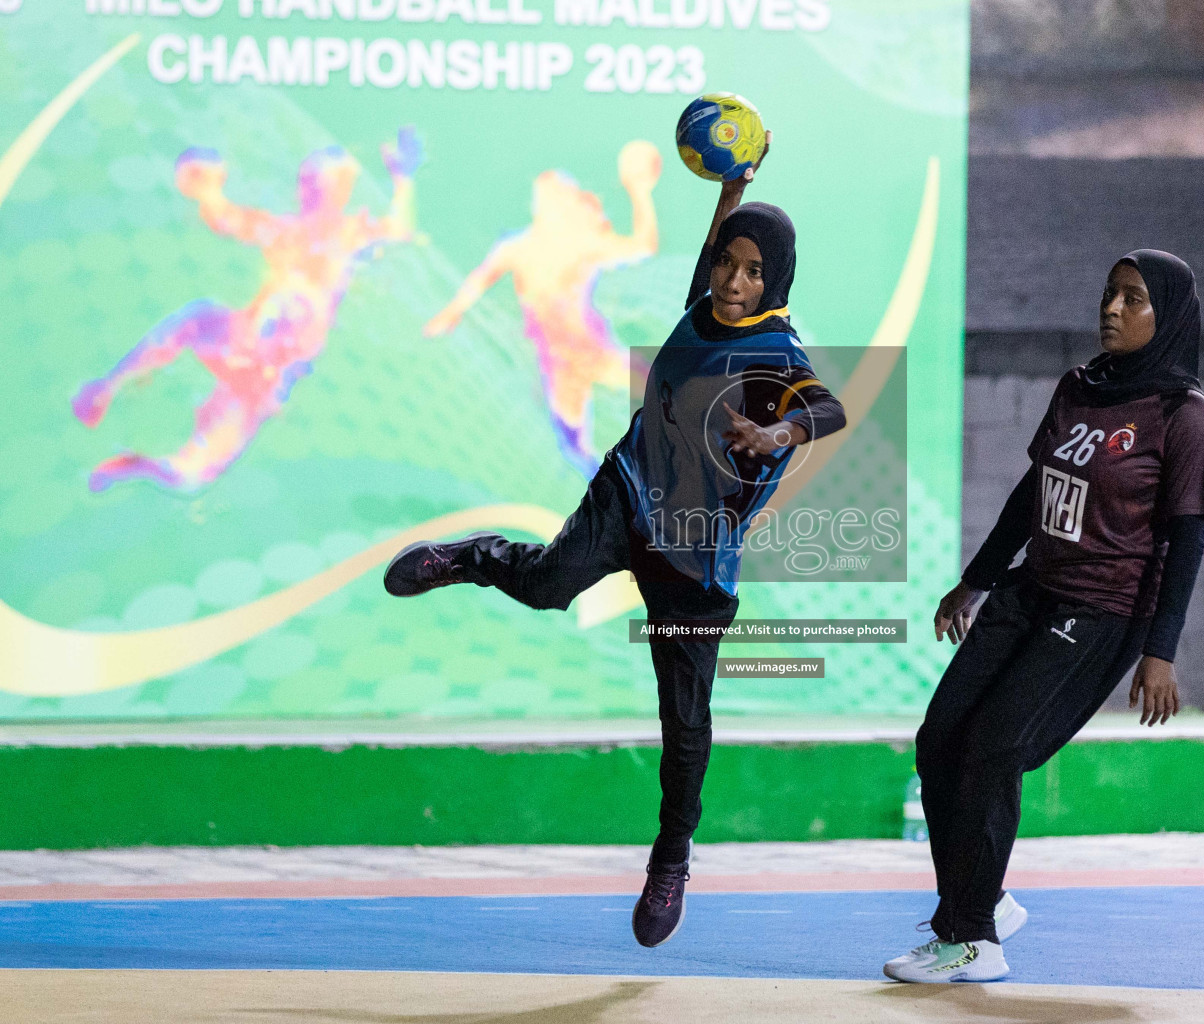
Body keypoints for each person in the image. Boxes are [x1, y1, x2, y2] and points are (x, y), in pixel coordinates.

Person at [382, 135, 846, 948]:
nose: (734, 281)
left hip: (696, 554)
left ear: (777, 282)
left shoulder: (779, 348)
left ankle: (671, 860)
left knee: (686, 727)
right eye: (727, 264)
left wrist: (777, 437)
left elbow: (827, 410)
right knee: (545, 584)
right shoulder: (701, 308)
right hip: (628, 493)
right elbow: (714, 242)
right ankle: (468, 556)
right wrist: (731, 183)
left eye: (752, 272)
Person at [883, 250, 1204, 983]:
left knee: (995, 746)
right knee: (939, 738)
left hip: (1102, 611)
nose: (1112, 309)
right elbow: (1034, 489)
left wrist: (1159, 652)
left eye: (1133, 300)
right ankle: (980, 904)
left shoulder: (1184, 418)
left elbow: (1187, 540)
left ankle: (973, 940)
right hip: (1029, 589)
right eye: (1109, 294)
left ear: (1168, 318)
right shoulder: (1080, 387)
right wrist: (975, 581)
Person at [72, 129, 422, 492]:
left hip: (270, 371)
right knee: (200, 316)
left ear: (341, 192)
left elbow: (399, 229)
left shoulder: (349, 235)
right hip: (245, 338)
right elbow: (224, 218)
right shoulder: (285, 230)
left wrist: (403, 179)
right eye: (311, 183)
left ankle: (136, 463)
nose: (314, 192)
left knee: (192, 473)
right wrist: (207, 187)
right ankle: (105, 389)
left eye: (324, 184)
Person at [423, 141, 662, 478]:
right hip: (558, 363)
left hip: (595, 350)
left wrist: (640, 192)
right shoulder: (516, 247)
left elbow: (642, 246)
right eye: (544, 193)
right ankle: (612, 502)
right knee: (574, 445)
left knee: (663, 385)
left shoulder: (583, 244)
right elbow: (480, 279)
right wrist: (450, 313)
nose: (550, 198)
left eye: (559, 192)